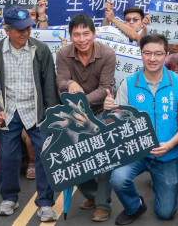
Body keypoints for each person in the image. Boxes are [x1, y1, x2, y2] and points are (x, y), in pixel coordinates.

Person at [0, 6, 59, 222]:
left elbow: (50, 87)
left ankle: (45, 203)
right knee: (7, 157)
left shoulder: (41, 50)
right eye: (19, 29)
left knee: (44, 155)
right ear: (6, 29)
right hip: (8, 112)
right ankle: (9, 197)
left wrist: (51, 116)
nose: (25, 33)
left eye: (28, 28)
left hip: (36, 111)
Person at [106, 34, 178, 224]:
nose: (152, 58)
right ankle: (134, 205)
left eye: (158, 54)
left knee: (165, 213)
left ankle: (159, 183)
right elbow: (117, 123)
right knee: (118, 178)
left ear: (166, 55)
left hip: (168, 153)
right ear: (141, 54)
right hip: (136, 151)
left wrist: (169, 145)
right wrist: (111, 110)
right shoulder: (129, 84)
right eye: (147, 53)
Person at [55, 13, 115, 221]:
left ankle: (103, 204)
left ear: (94, 34)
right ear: (71, 36)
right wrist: (69, 84)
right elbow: (60, 81)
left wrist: (80, 102)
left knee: (103, 153)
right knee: (73, 153)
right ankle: (92, 193)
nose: (81, 39)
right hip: (74, 115)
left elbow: (105, 88)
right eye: (76, 34)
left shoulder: (107, 54)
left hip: (100, 111)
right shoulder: (63, 53)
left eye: (86, 34)